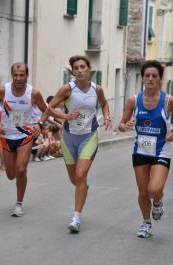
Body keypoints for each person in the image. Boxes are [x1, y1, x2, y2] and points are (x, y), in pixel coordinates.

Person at [118, 60, 173, 238]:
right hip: (140, 151)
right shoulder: (134, 100)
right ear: (142, 78)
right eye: (147, 75)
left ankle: (158, 201)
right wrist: (124, 126)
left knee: (154, 189)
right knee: (142, 192)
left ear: (160, 79)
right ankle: (146, 223)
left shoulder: (168, 100)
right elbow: (121, 124)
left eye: (154, 76)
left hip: (161, 150)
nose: (150, 78)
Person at [45, 55, 112, 232]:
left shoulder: (97, 89)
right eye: (76, 68)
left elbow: (104, 105)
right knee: (74, 179)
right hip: (68, 137)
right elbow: (49, 108)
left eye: (83, 67)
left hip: (88, 136)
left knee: (81, 175)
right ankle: (83, 188)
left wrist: (107, 116)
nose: (80, 70)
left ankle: (76, 217)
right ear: (73, 72)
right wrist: (65, 116)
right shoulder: (67, 89)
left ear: (89, 69)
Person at [0, 62, 47, 217]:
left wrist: (39, 124)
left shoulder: (33, 93)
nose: (18, 78)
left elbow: (45, 111)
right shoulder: (3, 90)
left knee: (21, 169)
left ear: (27, 75)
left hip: (25, 135)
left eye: (21, 75)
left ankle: (19, 204)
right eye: (15, 75)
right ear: (12, 75)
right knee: (11, 175)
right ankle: (18, 178)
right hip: (7, 136)